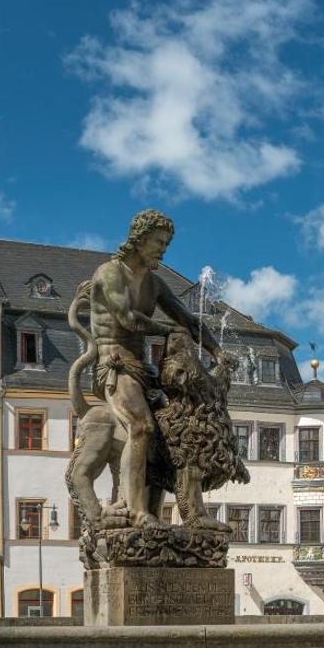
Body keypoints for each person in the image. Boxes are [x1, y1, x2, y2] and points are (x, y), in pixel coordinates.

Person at [85, 209, 221, 526]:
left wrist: (216, 350)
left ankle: (191, 514)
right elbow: (128, 319)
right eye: (157, 242)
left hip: (144, 371)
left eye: (166, 244)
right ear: (139, 239)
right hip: (114, 366)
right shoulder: (110, 273)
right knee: (142, 427)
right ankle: (136, 511)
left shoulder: (154, 283)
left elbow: (187, 319)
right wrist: (169, 332)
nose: (162, 249)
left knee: (175, 435)